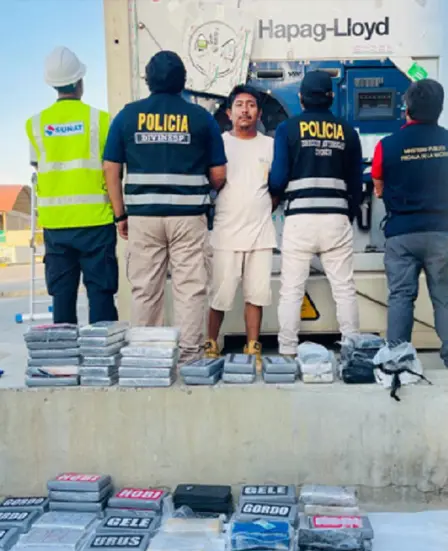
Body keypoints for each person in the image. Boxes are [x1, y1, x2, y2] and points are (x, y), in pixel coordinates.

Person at [103, 50, 226, 364]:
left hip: (144, 218)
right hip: (188, 219)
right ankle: (189, 358)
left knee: (146, 289)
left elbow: (110, 168)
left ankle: (149, 358)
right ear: (183, 81)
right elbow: (219, 174)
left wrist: (120, 215)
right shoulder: (201, 118)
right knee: (190, 288)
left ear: (148, 80)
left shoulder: (127, 116)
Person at [372, 78, 448, 369]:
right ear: (439, 109)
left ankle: (398, 360)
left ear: (407, 108)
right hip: (443, 232)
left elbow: (378, 186)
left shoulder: (386, 145)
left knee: (401, 296)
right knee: (445, 297)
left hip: (401, 234)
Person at [268, 70, 362, 356]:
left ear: (301, 98)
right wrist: (349, 214)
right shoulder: (347, 131)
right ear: (331, 97)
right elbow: (356, 184)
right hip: (336, 219)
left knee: (291, 290)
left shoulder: (288, 129)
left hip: (300, 220)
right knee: (344, 288)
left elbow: (277, 179)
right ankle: (352, 348)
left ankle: (286, 350)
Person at [26, 46, 118, 325]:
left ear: (52, 85)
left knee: (62, 298)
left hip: (56, 227)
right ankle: (101, 362)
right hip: (96, 224)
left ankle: (63, 365)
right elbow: (111, 168)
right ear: (80, 82)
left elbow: (38, 168)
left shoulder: (36, 124)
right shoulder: (101, 121)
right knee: (101, 295)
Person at [204, 85, 277, 364]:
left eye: (251, 105)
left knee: (256, 295)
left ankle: (252, 347)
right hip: (225, 234)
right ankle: (211, 343)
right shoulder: (219, 143)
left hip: (260, 233)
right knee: (219, 295)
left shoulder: (270, 145)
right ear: (228, 112)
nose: (245, 109)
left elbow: (276, 185)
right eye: (239, 105)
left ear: (259, 113)